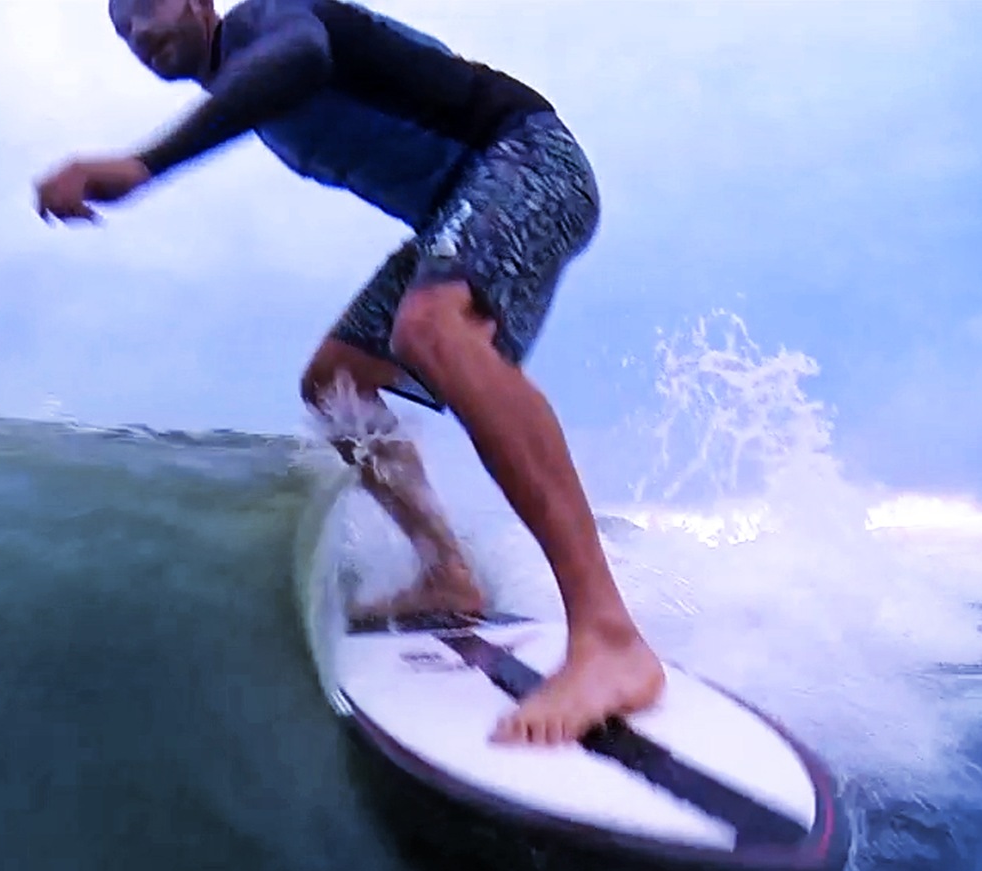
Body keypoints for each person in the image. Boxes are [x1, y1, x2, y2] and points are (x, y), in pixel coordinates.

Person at [35, 0, 665, 745]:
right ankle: (446, 572)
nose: (139, 33)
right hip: (457, 212)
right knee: (336, 385)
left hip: (528, 158)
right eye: (122, 29)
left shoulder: (271, 22)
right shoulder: (253, 93)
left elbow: (303, 58)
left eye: (149, 7)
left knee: (431, 327)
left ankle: (609, 637)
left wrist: (145, 165)